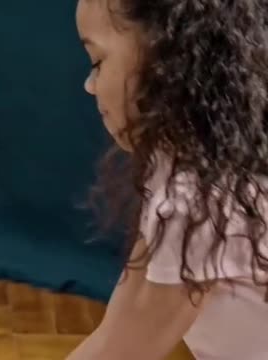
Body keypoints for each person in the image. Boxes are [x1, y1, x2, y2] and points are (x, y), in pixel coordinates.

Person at [69, 0, 268, 359]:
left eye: (98, 62)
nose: (90, 85)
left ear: (166, 56)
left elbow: (119, 351)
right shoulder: (186, 162)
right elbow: (122, 318)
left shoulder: (196, 198)